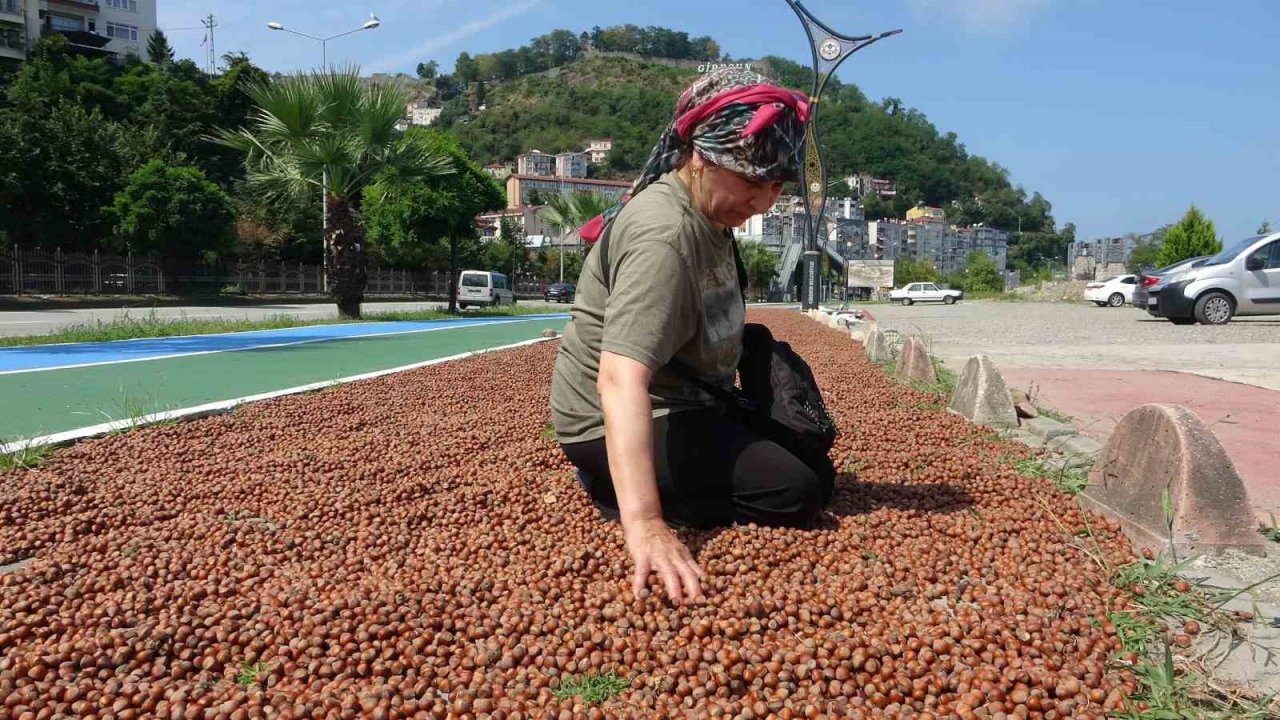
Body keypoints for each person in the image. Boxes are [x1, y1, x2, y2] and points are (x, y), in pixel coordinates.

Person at [549, 68, 836, 606]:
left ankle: (649, 476)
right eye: (752, 181)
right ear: (700, 157)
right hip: (611, 417)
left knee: (816, 466)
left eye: (776, 184)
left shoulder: (712, 214)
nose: (765, 202)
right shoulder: (665, 237)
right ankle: (610, 484)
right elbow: (618, 378)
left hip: (692, 400)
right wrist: (646, 523)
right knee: (794, 494)